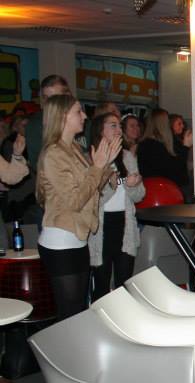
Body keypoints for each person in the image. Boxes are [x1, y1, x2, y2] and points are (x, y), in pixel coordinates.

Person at [37, 94, 121, 320]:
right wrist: (98, 167)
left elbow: (91, 190)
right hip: (60, 241)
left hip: (78, 238)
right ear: (63, 117)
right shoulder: (54, 154)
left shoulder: (73, 148)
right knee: (69, 315)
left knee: (77, 313)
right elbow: (75, 201)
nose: (84, 116)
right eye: (78, 111)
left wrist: (105, 167)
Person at [88, 113, 145, 301]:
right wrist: (113, 184)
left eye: (119, 126)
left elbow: (139, 195)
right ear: (100, 130)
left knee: (125, 284)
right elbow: (90, 197)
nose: (119, 130)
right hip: (100, 227)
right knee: (101, 284)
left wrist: (132, 185)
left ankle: (123, 319)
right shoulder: (92, 158)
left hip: (125, 224)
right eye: (113, 125)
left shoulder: (127, 156)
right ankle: (99, 318)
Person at [137, 108, 191, 196]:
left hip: (159, 189)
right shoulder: (154, 145)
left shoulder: (148, 143)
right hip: (163, 191)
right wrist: (186, 146)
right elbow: (172, 169)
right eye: (167, 120)